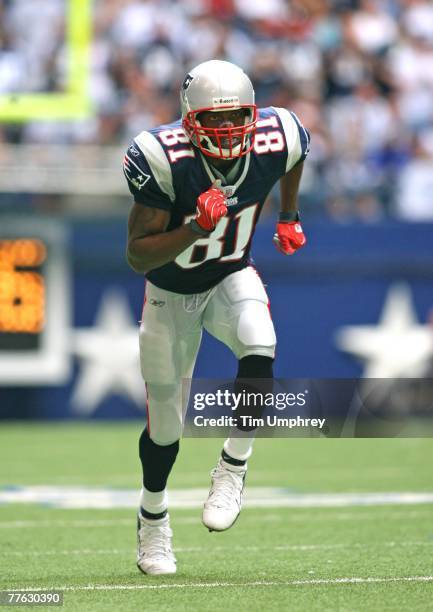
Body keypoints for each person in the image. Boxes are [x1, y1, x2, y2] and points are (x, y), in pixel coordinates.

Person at [124, 59, 310, 575]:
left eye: (237, 120)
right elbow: (138, 255)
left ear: (254, 114)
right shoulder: (162, 157)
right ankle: (153, 519)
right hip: (169, 293)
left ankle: (234, 465)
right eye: (215, 121)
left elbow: (296, 154)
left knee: (260, 340)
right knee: (165, 423)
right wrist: (193, 227)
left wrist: (289, 215)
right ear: (189, 120)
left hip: (231, 274)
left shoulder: (280, 133)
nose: (229, 132)